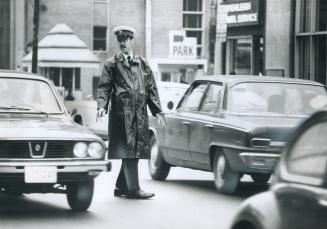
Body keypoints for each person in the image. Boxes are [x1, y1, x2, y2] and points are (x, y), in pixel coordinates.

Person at [96, 25, 167, 199]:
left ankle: (121, 187)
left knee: (133, 151)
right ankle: (133, 189)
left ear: (131, 41)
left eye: (125, 40)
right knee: (129, 151)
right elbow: (104, 86)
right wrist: (101, 105)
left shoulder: (142, 64)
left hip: (139, 114)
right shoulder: (112, 64)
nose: (122, 43)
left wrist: (158, 110)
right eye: (119, 40)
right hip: (122, 115)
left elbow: (151, 88)